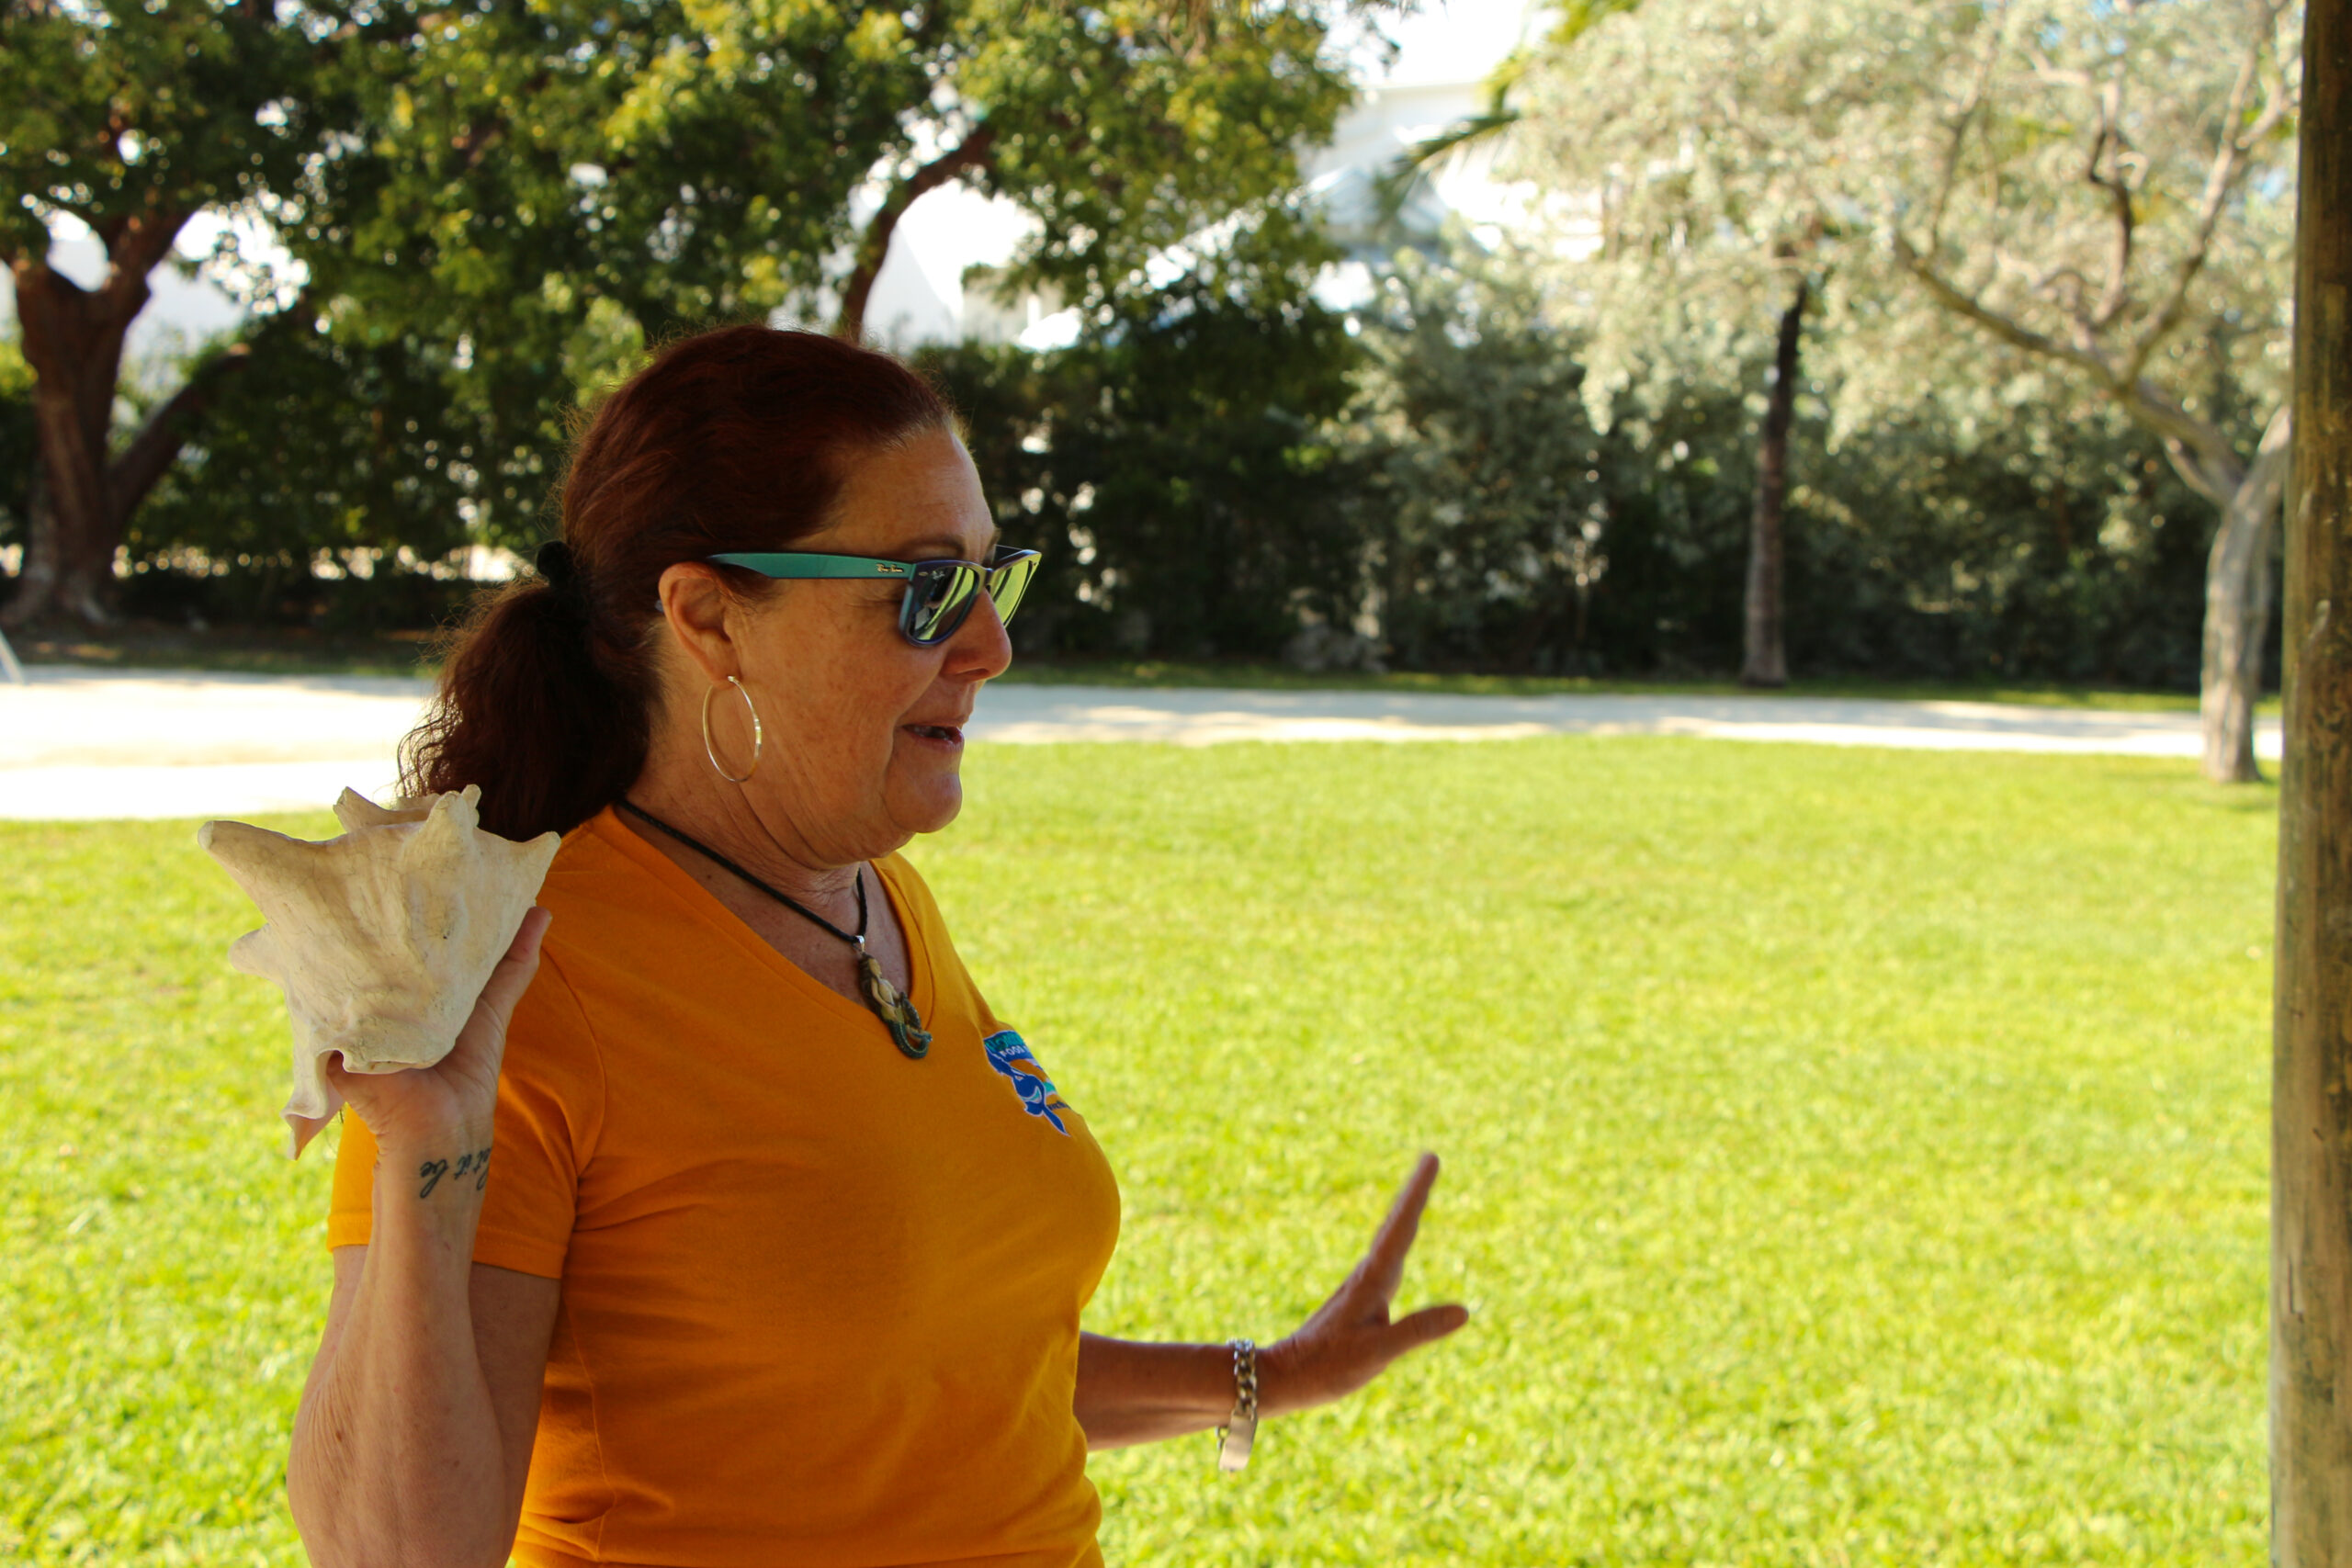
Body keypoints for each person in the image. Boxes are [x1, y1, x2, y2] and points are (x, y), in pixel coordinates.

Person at [286, 324, 1467, 1568]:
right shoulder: (526, 980)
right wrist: (425, 1156)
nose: (991, 649)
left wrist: (1262, 1377)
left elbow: (928, 1378)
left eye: (988, 581)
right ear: (708, 618)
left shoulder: (878, 903)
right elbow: (391, 1554)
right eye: (924, 591)